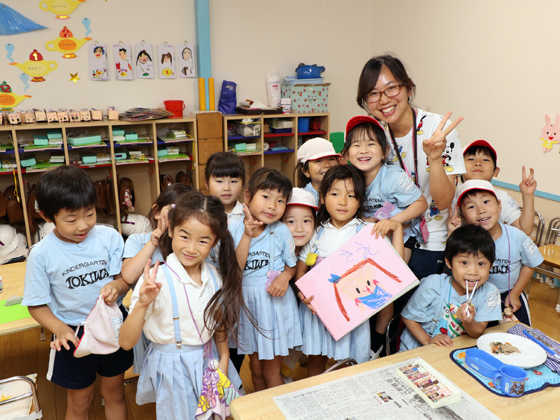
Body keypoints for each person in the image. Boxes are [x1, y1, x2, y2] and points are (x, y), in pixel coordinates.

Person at [119, 192, 248, 420]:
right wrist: (142, 305)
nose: (191, 248)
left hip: (210, 361)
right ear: (170, 231)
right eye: (184, 236)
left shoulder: (214, 276)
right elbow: (126, 342)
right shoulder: (155, 279)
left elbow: (218, 328)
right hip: (173, 368)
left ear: (215, 242)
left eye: (203, 240)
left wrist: (224, 363)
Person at [22, 165, 132, 420]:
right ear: (47, 216)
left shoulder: (109, 237)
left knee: (114, 394)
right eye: (71, 219)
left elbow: (122, 279)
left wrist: (119, 286)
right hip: (73, 334)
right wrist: (60, 328)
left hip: (112, 328)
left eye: (90, 214)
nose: (83, 225)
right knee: (80, 402)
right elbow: (36, 304)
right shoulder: (41, 254)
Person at [357, 54, 466, 279]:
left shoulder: (437, 129)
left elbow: (444, 202)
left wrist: (435, 158)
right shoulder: (376, 138)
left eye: (391, 88)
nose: (384, 99)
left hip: (434, 239)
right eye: (373, 94)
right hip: (393, 236)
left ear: (408, 89)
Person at [296, 165, 404, 375]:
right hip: (319, 312)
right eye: (335, 194)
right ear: (322, 198)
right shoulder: (316, 233)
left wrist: (397, 228)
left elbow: (396, 266)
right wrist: (302, 294)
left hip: (351, 315)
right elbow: (302, 271)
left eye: (351, 195)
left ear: (360, 201)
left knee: (348, 362)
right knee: (315, 360)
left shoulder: (366, 232)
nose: (342, 201)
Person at [228, 167, 301, 390]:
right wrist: (248, 236)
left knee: (271, 370)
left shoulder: (280, 231)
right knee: (256, 369)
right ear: (248, 197)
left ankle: (278, 410)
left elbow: (292, 264)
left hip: (273, 306)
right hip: (248, 305)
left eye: (280, 201)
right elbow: (235, 270)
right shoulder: (233, 228)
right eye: (266, 197)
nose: (272, 206)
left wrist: (285, 277)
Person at [450, 180, 544, 326]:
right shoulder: (464, 241)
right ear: (462, 214)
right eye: (471, 206)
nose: (481, 210)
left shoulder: (516, 236)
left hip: (509, 295)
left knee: (520, 334)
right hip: (476, 296)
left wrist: (516, 293)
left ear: (499, 205)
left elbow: (530, 263)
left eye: (486, 202)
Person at [121, 183, 192, 373]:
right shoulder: (138, 241)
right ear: (156, 212)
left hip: (183, 323)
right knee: (155, 380)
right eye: (174, 213)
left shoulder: (188, 245)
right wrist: (153, 243)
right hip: (148, 325)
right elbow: (128, 275)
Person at [400, 224, 502, 351]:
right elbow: (408, 316)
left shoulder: (490, 293)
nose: (473, 272)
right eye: (464, 263)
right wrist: (428, 340)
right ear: (448, 262)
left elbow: (477, 332)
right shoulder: (433, 284)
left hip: (451, 353)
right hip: (416, 351)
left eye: (481, 264)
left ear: (491, 266)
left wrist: (468, 322)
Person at [344, 115, 427, 262]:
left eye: (370, 144)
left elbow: (421, 204)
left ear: (385, 151)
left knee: (397, 270)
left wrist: (393, 222)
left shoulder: (393, 177)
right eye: (356, 145)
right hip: (369, 234)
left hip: (401, 234)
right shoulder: (348, 180)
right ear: (347, 155)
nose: (363, 150)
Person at [459, 139, 536, 236]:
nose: (478, 163)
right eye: (471, 159)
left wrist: (528, 195)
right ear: (459, 167)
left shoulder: (501, 197)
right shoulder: (450, 194)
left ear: (496, 171)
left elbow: (524, 230)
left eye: (485, 160)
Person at [294, 137, 341, 205]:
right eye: (318, 161)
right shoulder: (302, 197)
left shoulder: (345, 188)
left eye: (331, 159)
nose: (327, 165)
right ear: (306, 171)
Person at [204, 151, 245, 224]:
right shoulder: (201, 214)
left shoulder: (247, 215)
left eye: (233, 181)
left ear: (243, 183)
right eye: (219, 181)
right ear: (207, 183)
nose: (226, 188)